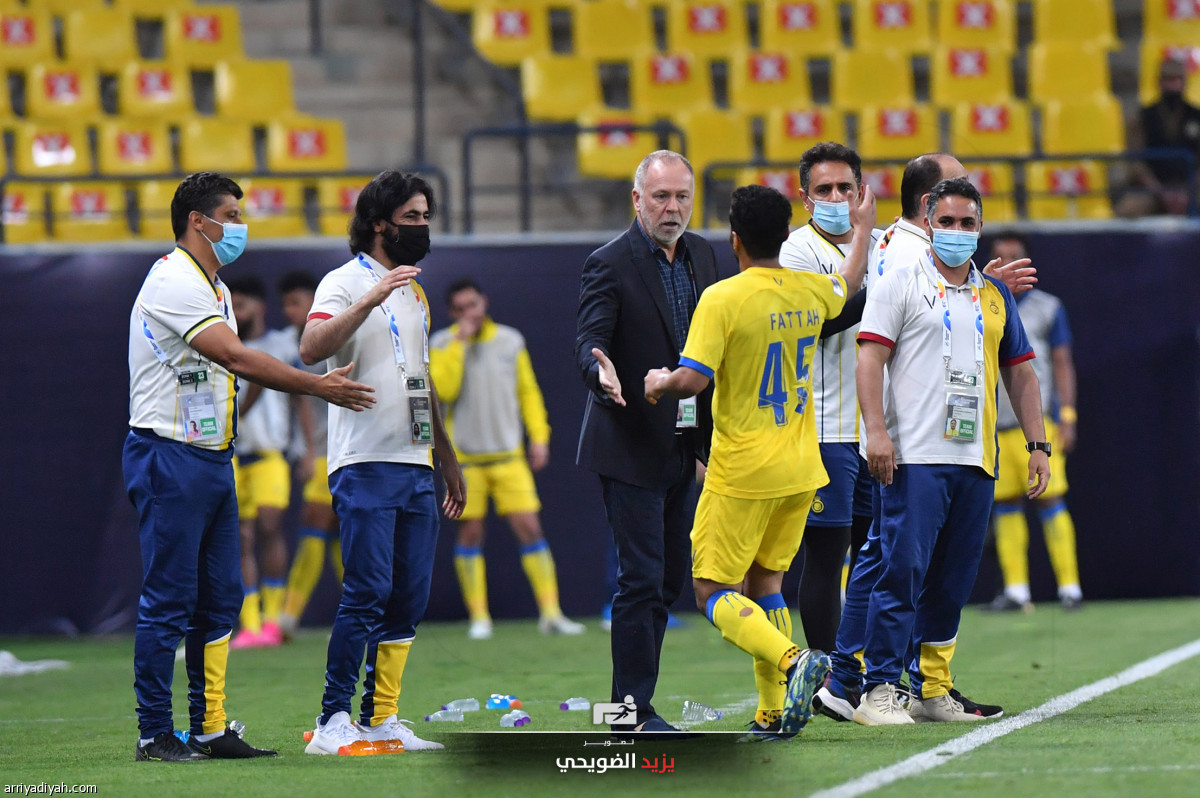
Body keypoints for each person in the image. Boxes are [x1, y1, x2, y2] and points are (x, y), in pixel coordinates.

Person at [124, 171, 374, 761]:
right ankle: (154, 732)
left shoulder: (214, 287)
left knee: (221, 597)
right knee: (169, 597)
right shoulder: (173, 279)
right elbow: (234, 357)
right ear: (198, 221)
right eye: (231, 216)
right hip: (168, 453)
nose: (240, 226)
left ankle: (210, 728)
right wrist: (317, 385)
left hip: (213, 455)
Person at [816, 153, 1032, 724]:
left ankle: (911, 684)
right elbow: (873, 352)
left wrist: (1037, 444)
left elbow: (1018, 367)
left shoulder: (964, 278)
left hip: (961, 446)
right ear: (926, 211)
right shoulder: (905, 267)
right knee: (896, 566)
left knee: (928, 569)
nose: (959, 229)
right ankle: (874, 683)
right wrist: (878, 432)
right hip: (911, 443)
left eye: (969, 220)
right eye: (949, 217)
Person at [645, 184, 848, 741]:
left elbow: (693, 379)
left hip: (743, 468)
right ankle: (772, 711)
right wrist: (861, 230)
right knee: (767, 582)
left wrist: (659, 382)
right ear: (786, 235)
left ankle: (794, 659)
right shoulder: (812, 288)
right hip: (802, 467)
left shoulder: (723, 298)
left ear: (734, 239)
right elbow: (848, 283)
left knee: (711, 590)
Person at [299, 170, 465, 756]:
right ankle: (331, 720)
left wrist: (446, 457)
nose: (422, 227)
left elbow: (422, 378)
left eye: (426, 217)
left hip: (415, 461)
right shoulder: (343, 282)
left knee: (409, 596)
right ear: (378, 224)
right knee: (367, 590)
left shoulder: (415, 293)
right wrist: (370, 299)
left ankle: (382, 717)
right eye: (411, 217)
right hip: (364, 460)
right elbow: (311, 348)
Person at [575, 150, 720, 735]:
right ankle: (631, 713)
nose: (672, 208)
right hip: (629, 442)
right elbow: (588, 340)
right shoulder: (608, 262)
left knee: (665, 581)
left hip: (685, 444)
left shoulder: (704, 254)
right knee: (640, 579)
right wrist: (600, 373)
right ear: (637, 200)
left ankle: (627, 710)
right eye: (660, 197)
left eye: (682, 196)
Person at [430, 278, 585, 639]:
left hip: (508, 457)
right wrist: (459, 343)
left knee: (530, 528)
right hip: (464, 462)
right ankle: (479, 618)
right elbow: (443, 391)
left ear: (484, 302)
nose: (469, 313)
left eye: (473, 304)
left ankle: (551, 613)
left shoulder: (510, 340)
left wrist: (539, 436)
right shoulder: (441, 343)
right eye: (460, 309)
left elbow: (528, 392)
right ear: (451, 312)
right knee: (470, 533)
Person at [777, 142, 877, 654]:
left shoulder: (885, 245)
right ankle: (828, 676)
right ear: (805, 198)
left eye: (845, 187)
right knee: (827, 555)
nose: (836, 197)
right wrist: (882, 283)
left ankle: (871, 671)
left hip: (879, 430)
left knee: (876, 557)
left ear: (862, 191)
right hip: (825, 427)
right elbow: (824, 319)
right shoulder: (797, 251)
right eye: (824, 189)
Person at [985, 233, 1083, 612]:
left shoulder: (1047, 307)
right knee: (1005, 504)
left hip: (1037, 423)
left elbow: (1062, 362)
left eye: (1015, 256)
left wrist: (1067, 414)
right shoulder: (980, 302)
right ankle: (1016, 590)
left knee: (1052, 499)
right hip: (996, 424)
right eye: (1001, 257)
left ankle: (1070, 587)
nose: (1009, 263)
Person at [225, 275, 299, 649]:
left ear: (259, 306)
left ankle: (273, 619)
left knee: (270, 527)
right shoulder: (224, 346)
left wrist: (308, 449)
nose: (237, 311)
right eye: (232, 305)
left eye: (242, 304)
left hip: (270, 453)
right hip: (234, 456)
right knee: (242, 537)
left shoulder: (279, 345)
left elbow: (300, 396)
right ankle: (250, 624)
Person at [276, 270, 344, 636]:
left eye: (296, 302)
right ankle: (290, 615)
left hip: (339, 451)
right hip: (324, 453)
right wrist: (309, 450)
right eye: (285, 304)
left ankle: (290, 615)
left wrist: (311, 450)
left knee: (326, 526)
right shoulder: (292, 345)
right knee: (325, 526)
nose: (289, 310)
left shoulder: (333, 336)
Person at [1117, 57, 1200, 217]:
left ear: (1185, 82)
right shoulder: (1142, 118)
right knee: (1128, 210)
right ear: (1159, 83)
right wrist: (1160, 191)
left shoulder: (1196, 116)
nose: (1173, 85)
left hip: (1191, 186)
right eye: (1168, 80)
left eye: (1177, 80)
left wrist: (1188, 189)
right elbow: (1135, 160)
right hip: (1152, 188)